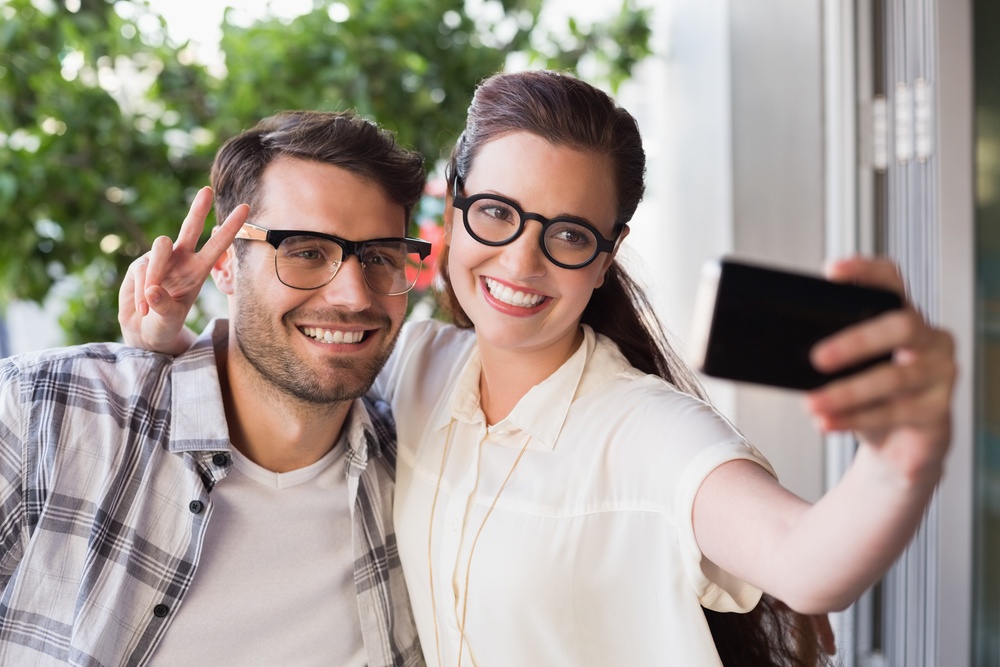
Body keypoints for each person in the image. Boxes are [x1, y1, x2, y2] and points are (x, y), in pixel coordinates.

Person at [120, 71, 956, 666]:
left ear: (606, 257)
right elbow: (287, 377)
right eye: (497, 214)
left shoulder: (644, 429)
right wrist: (169, 342)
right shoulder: (413, 362)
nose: (521, 263)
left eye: (567, 234)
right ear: (451, 212)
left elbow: (811, 561)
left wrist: (903, 458)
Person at [0, 110, 431, 666]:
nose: (353, 296)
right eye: (304, 251)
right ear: (225, 266)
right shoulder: (44, 412)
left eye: (378, 257)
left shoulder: (418, 471)